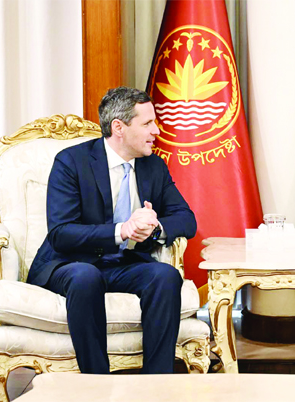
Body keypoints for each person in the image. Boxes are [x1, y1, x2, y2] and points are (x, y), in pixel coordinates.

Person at [27, 86, 197, 374]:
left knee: (165, 276)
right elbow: (61, 233)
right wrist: (122, 230)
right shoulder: (71, 162)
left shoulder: (153, 166)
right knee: (86, 277)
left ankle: (157, 383)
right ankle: (98, 383)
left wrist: (153, 228)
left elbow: (186, 219)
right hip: (71, 263)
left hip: (124, 264)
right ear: (119, 127)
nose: (156, 131)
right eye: (147, 123)